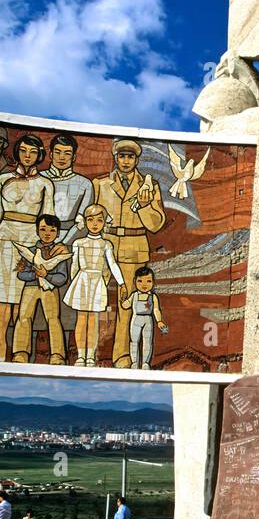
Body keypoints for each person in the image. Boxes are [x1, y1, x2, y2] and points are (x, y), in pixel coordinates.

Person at [0, 135, 56, 361]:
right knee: (0, 295)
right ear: (17, 153)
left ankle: (17, 348)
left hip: (30, 238)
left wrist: (44, 247)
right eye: (23, 151)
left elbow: (48, 217)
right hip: (5, 234)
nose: (27, 156)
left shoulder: (45, 184)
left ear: (39, 155)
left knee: (21, 297)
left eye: (32, 152)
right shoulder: (3, 179)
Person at [92, 139, 166, 367]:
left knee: (128, 304)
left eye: (130, 157)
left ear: (137, 159)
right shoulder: (100, 184)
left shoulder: (148, 185)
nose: (126, 161)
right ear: (115, 157)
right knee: (93, 300)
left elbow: (156, 223)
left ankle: (123, 357)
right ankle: (88, 353)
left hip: (135, 246)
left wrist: (144, 206)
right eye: (122, 156)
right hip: (105, 244)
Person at [64, 204, 125, 366]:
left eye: (99, 220)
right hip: (82, 281)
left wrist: (121, 282)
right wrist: (74, 284)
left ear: (105, 222)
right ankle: (80, 355)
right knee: (81, 319)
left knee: (93, 320)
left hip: (97, 282)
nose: (95, 224)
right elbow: (74, 266)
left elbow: (112, 265)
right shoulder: (79, 242)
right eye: (90, 220)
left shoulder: (106, 244)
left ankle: (90, 355)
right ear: (85, 222)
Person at [12, 214, 71, 364]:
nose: (47, 234)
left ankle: (57, 355)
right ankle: (21, 352)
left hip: (50, 290)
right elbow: (21, 273)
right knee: (24, 317)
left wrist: (47, 276)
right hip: (31, 288)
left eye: (52, 231)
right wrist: (35, 274)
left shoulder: (60, 253)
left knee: (53, 319)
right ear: (37, 231)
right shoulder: (29, 251)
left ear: (57, 233)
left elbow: (62, 277)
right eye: (43, 229)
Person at [118, 266, 168, 369]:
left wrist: (159, 321)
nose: (144, 285)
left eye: (148, 281)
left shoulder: (153, 296)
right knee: (134, 341)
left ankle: (145, 363)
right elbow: (125, 305)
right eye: (140, 281)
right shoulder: (134, 295)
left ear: (153, 282)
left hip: (148, 320)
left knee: (147, 342)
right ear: (134, 281)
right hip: (136, 319)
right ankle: (134, 362)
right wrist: (122, 298)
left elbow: (156, 309)